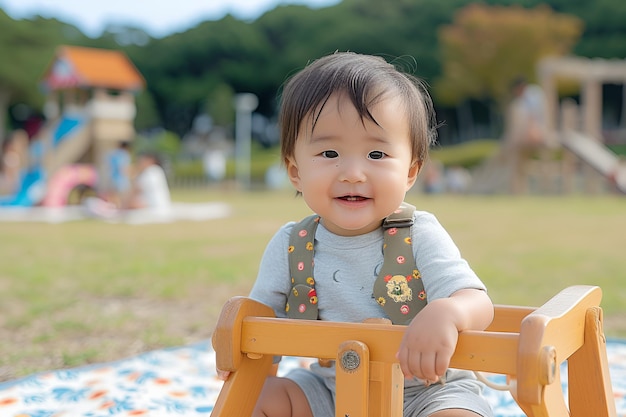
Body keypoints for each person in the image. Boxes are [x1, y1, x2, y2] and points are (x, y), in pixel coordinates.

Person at [216, 52, 494, 417]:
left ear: (410, 172)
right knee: (256, 399)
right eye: (330, 152)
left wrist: (449, 311)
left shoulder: (418, 234)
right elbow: (261, 323)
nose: (352, 173)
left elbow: (478, 302)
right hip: (330, 392)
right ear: (295, 171)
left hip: (428, 391)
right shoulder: (292, 245)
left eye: (376, 153)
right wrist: (239, 349)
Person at [103, 140, 132, 207]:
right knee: (121, 197)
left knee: (112, 196)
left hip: (112, 177)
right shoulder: (124, 154)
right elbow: (122, 168)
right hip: (121, 179)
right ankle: (118, 208)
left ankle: (112, 208)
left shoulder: (113, 154)